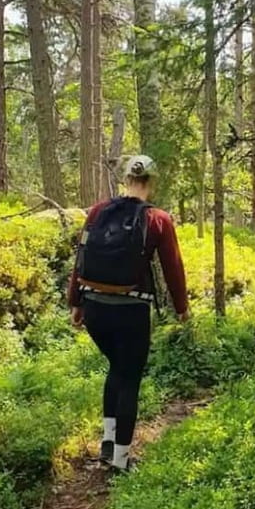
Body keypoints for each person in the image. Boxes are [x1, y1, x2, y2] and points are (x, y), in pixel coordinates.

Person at [67, 155, 189, 471]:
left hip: (94, 309)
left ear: (126, 180)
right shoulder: (158, 219)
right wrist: (182, 308)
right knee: (129, 378)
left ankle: (108, 445)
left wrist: (76, 303)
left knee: (115, 370)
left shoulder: (97, 212)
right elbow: (173, 267)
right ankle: (121, 461)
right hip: (132, 311)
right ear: (151, 182)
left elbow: (80, 258)